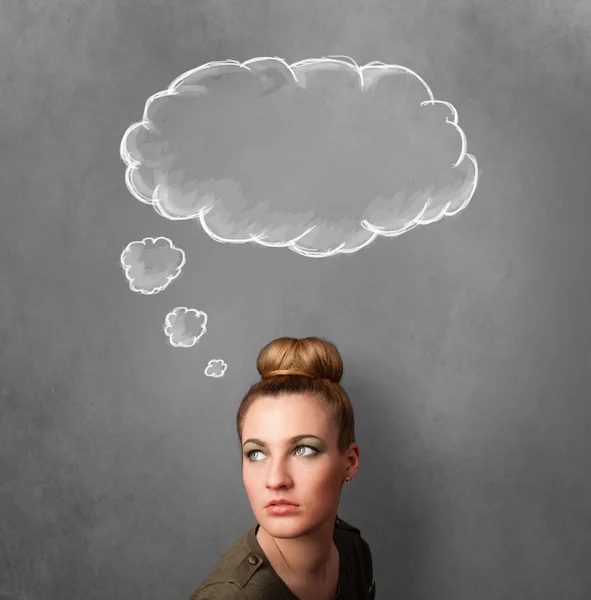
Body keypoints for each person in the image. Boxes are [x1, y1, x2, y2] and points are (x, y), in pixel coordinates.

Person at [188, 336, 375, 600]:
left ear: (350, 462)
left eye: (304, 450)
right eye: (256, 453)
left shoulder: (353, 550)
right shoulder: (229, 596)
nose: (276, 480)